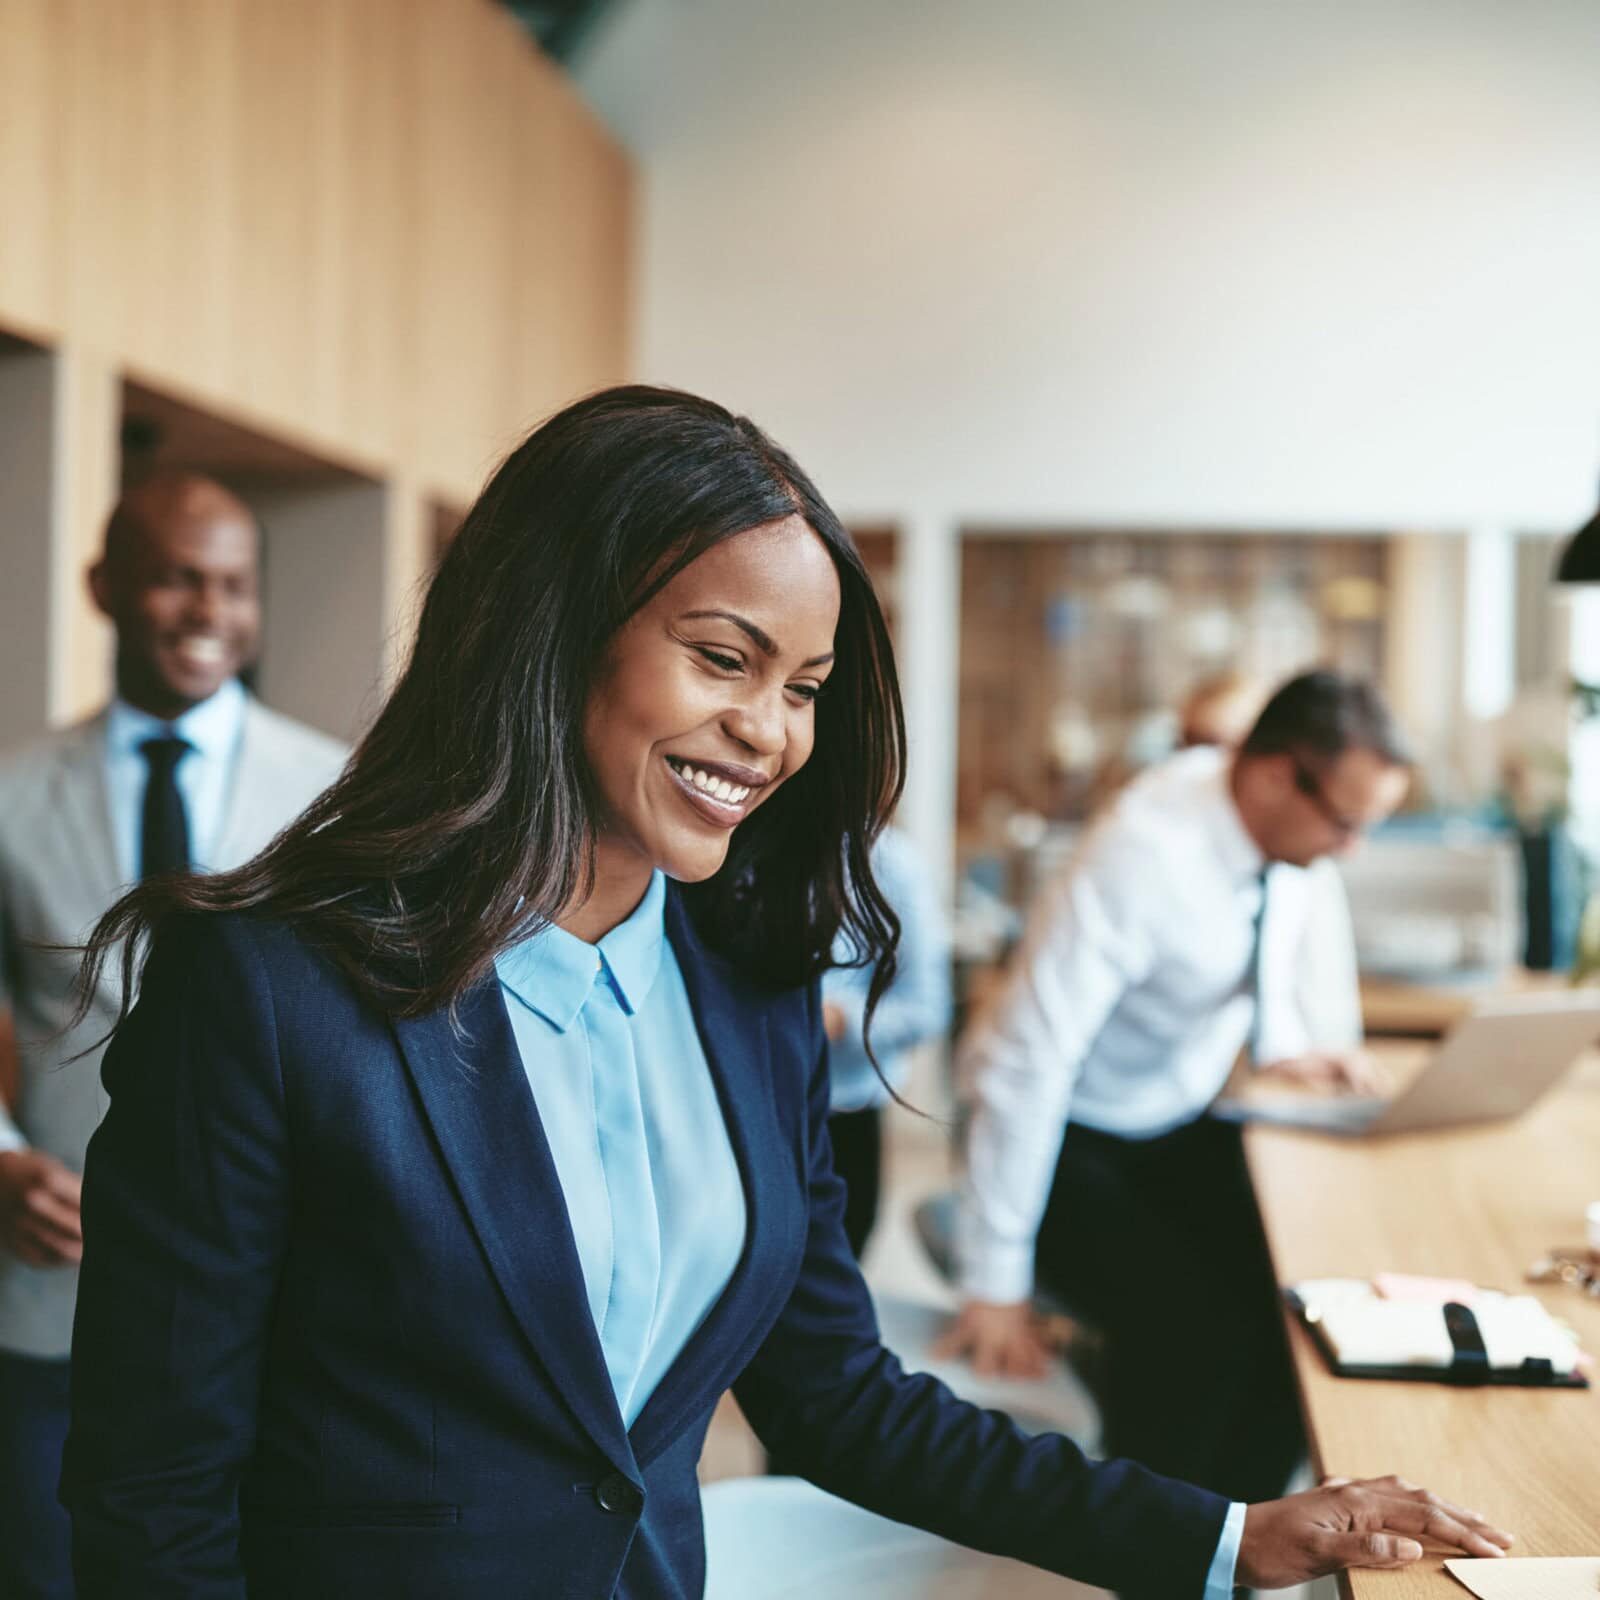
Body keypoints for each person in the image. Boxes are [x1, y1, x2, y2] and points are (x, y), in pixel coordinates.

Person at [62, 396, 1509, 1600]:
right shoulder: (264, 989)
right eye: (722, 659)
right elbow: (152, 1501)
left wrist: (1221, 1534)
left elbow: (838, 1400)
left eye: (805, 683)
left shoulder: (748, 998)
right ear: (553, 634)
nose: (769, 734)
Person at [939, 672, 1410, 1512]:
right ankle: (1156, 1554)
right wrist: (995, 1280)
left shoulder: (1278, 837)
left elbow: (1278, 941)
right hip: (1061, 1128)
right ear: (1274, 775)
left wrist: (1293, 1046)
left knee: (1295, 1289)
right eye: (1346, 824)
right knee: (1192, 1329)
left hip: (1166, 1114)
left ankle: (1243, 1539)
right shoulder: (1144, 856)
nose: (1352, 849)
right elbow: (1027, 1062)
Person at [0, 471, 346, 1600]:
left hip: (284, 1289)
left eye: (235, 587)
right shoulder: (10, 791)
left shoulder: (336, 791)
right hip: (58, 1286)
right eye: (177, 579)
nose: (210, 613)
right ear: (105, 586)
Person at [823, 825, 951, 1258]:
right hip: (749, 1110)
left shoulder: (892, 865)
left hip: (844, 1116)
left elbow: (926, 1008)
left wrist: (835, 1018)